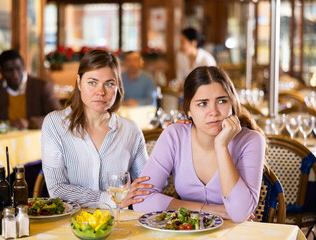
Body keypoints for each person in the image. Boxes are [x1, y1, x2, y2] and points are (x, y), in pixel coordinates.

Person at [133, 66, 265, 223]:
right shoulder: (174, 135)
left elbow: (239, 214)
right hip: (187, 232)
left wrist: (221, 146)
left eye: (222, 101)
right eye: (203, 104)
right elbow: (141, 200)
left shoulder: (251, 141)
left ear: (232, 104)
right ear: (188, 110)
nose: (213, 111)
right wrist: (207, 210)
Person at [41, 49, 152, 208]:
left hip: (120, 223)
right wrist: (109, 199)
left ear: (118, 87)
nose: (101, 92)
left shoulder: (130, 130)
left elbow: (147, 185)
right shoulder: (55, 124)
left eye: (109, 84)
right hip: (71, 225)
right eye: (92, 82)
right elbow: (57, 189)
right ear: (79, 83)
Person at [0, 50, 62, 129]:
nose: (15, 75)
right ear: (1, 72)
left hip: (35, 140)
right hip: (5, 138)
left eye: (18, 68)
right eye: (9, 70)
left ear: (23, 67)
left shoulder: (42, 87)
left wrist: (30, 123)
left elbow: (58, 118)